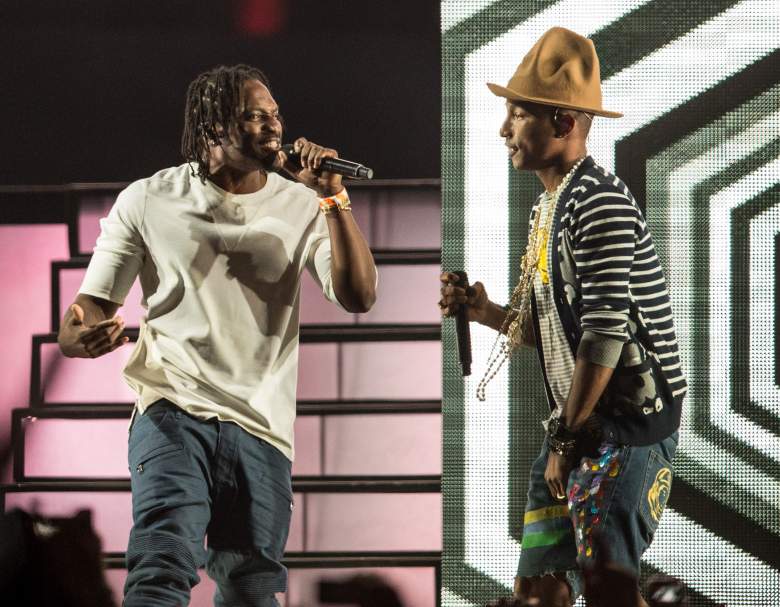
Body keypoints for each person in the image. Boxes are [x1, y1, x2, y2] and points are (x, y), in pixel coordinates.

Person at [57, 64, 377, 606]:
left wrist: (333, 199)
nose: (273, 127)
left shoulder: (301, 202)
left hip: (262, 424)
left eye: (274, 115)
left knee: (251, 590)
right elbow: (87, 311)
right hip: (173, 408)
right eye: (253, 117)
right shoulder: (149, 198)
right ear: (211, 130)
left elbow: (359, 295)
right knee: (162, 566)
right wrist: (78, 336)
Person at [440, 28, 686, 607]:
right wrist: (484, 311)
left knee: (608, 591)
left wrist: (564, 438)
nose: (505, 130)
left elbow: (603, 340)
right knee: (537, 591)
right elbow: (554, 331)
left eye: (518, 114)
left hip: (621, 433)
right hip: (581, 431)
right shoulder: (556, 202)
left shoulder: (597, 202)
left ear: (563, 124)